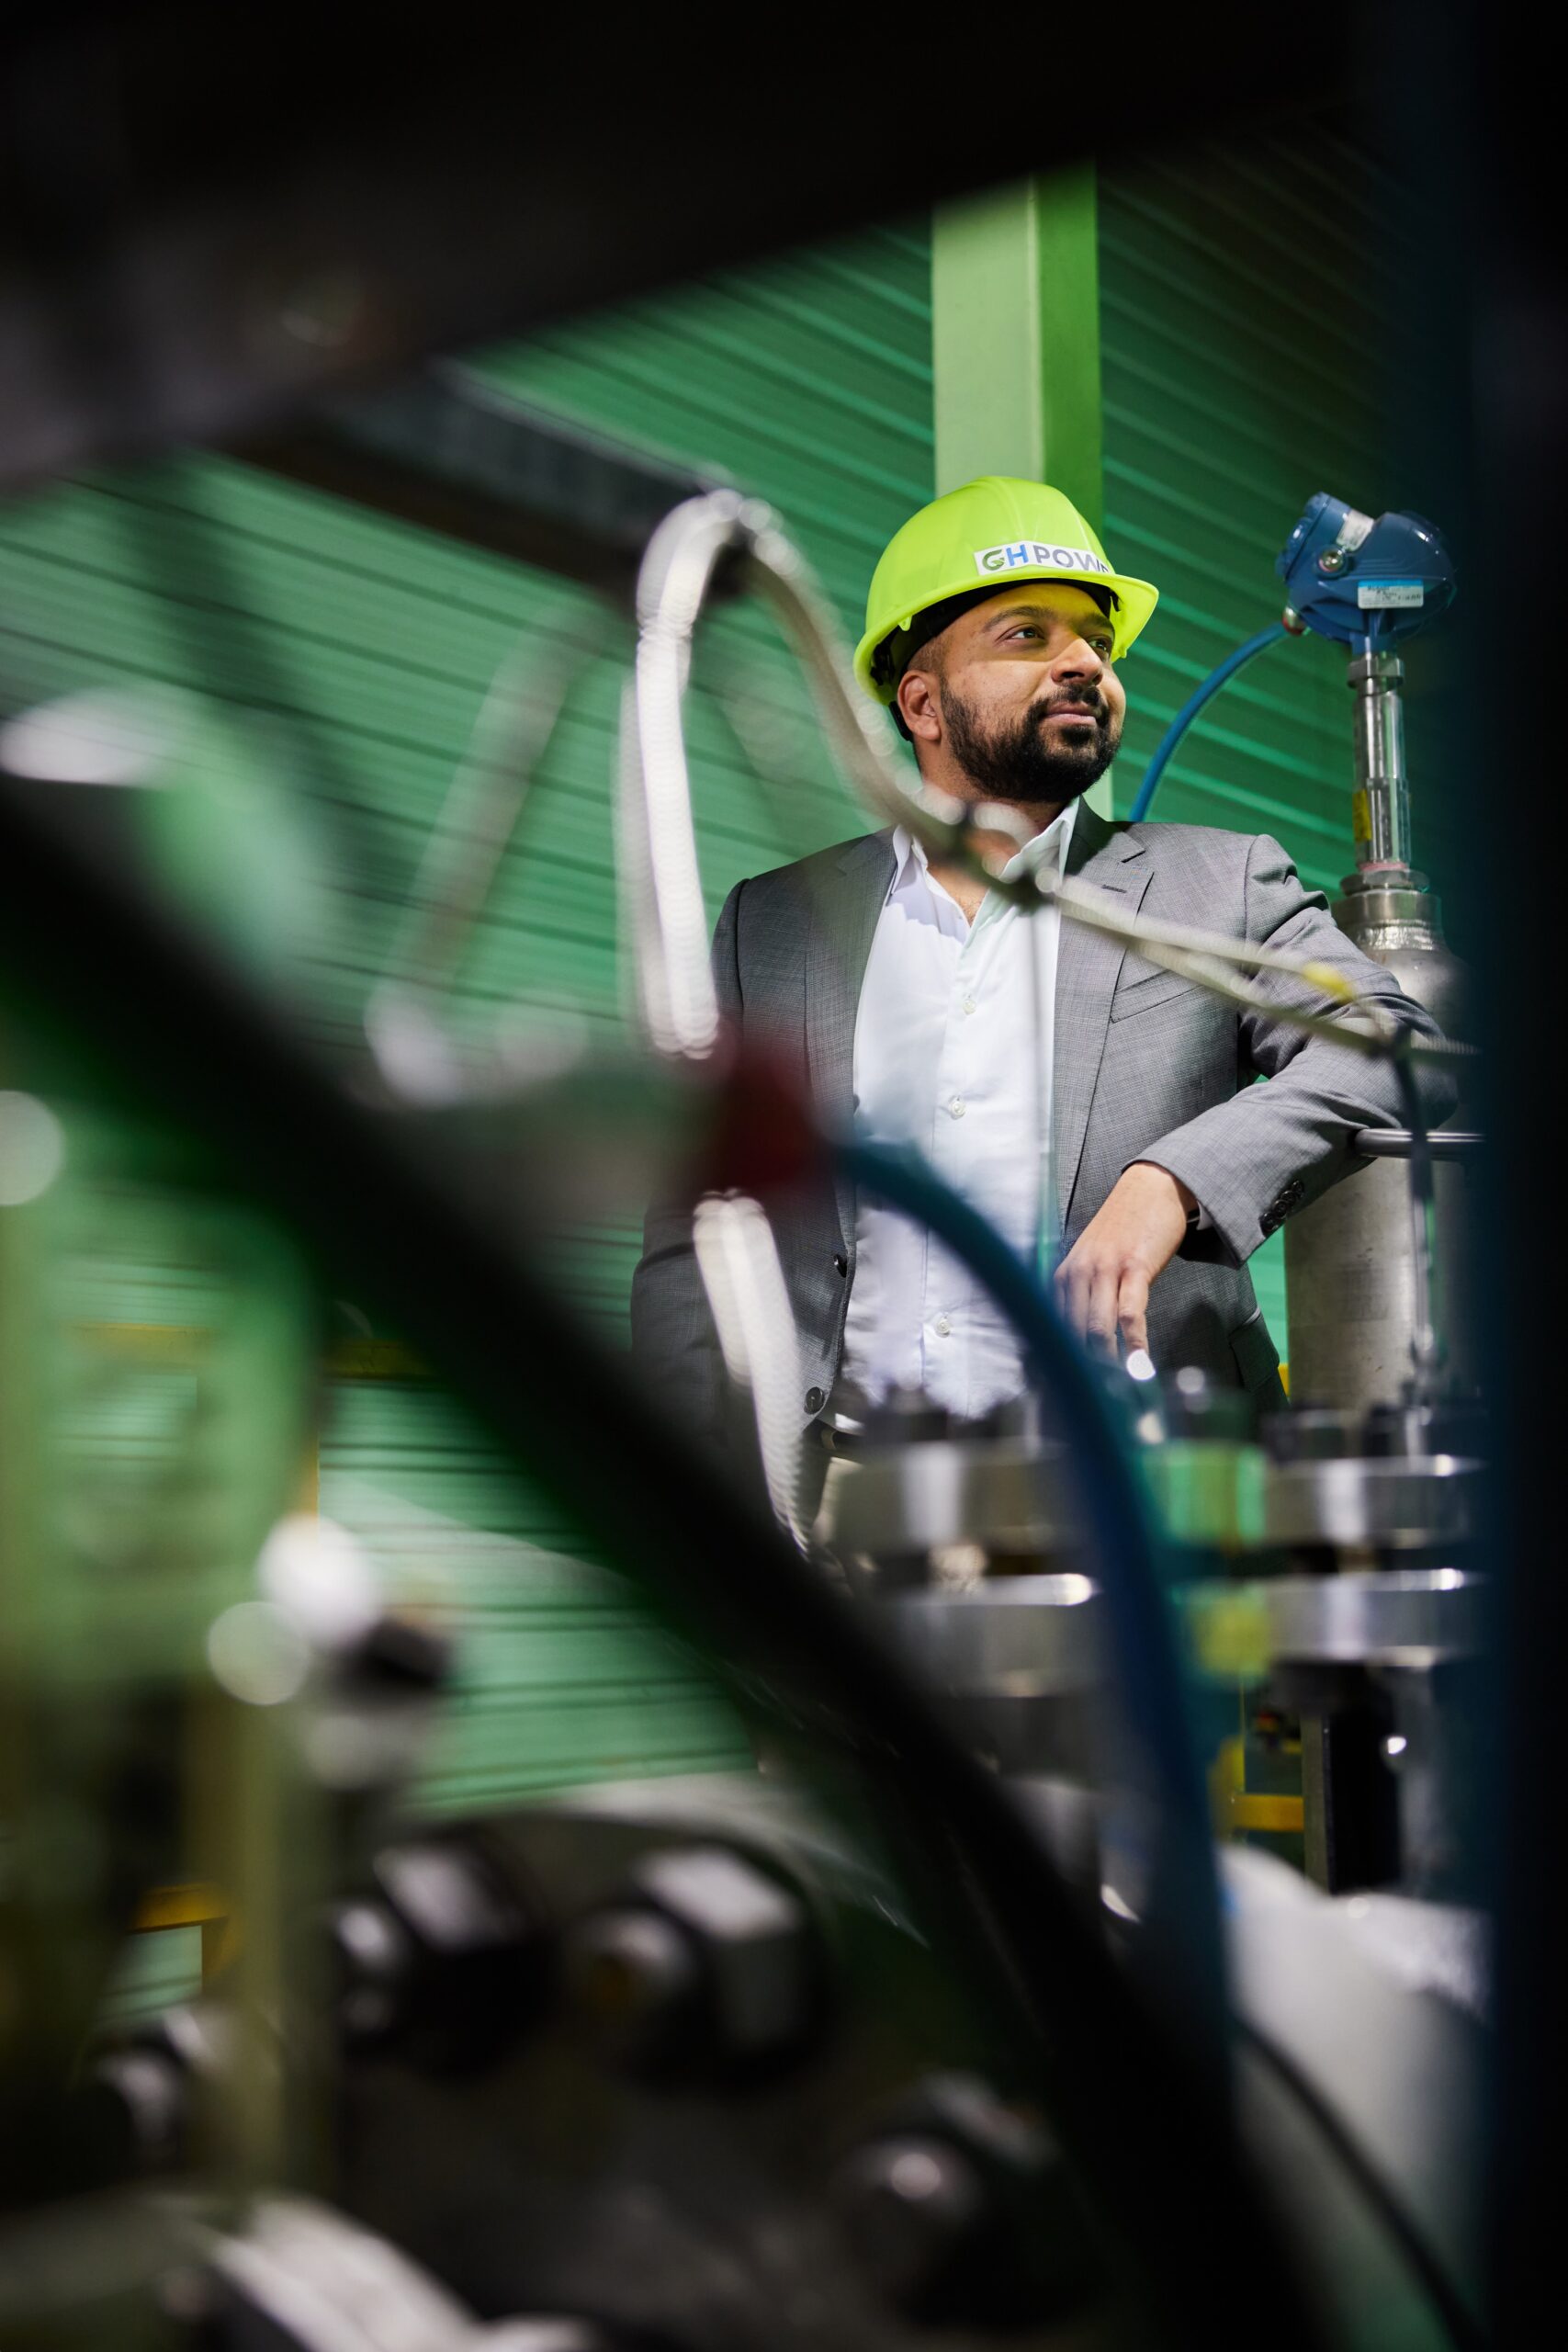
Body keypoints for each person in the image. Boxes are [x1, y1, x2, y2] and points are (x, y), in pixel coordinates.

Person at [631, 477, 1451, 1466]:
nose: (1083, 664)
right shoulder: (773, 924)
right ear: (922, 702)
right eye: (1028, 634)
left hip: (1147, 1506)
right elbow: (696, 1233)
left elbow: (1397, 1048)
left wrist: (1173, 1180)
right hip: (846, 1511)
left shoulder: (1219, 884)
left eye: (1096, 643)